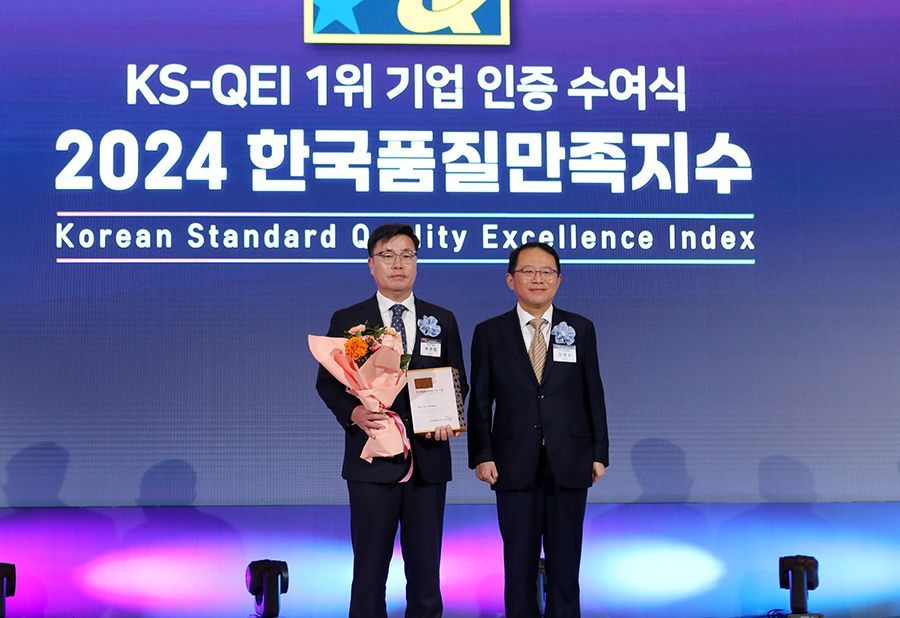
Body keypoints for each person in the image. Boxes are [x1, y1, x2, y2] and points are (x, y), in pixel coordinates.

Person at [315, 223, 468, 618]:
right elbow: (327, 383)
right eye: (388, 256)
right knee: (369, 572)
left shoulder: (441, 318)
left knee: (426, 574)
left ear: (417, 263)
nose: (398, 264)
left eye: (407, 255)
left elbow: (457, 381)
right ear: (371, 264)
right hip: (372, 460)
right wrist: (354, 413)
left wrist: (448, 418)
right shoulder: (350, 319)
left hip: (427, 460)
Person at [467, 241, 609, 618]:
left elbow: (593, 392)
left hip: (570, 460)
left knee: (566, 568)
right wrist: (482, 454)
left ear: (559, 280)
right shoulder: (489, 332)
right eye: (528, 271)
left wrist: (599, 452)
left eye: (547, 272)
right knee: (518, 569)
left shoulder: (580, 328)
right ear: (510, 280)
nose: (538, 279)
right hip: (512, 463)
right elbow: (480, 400)